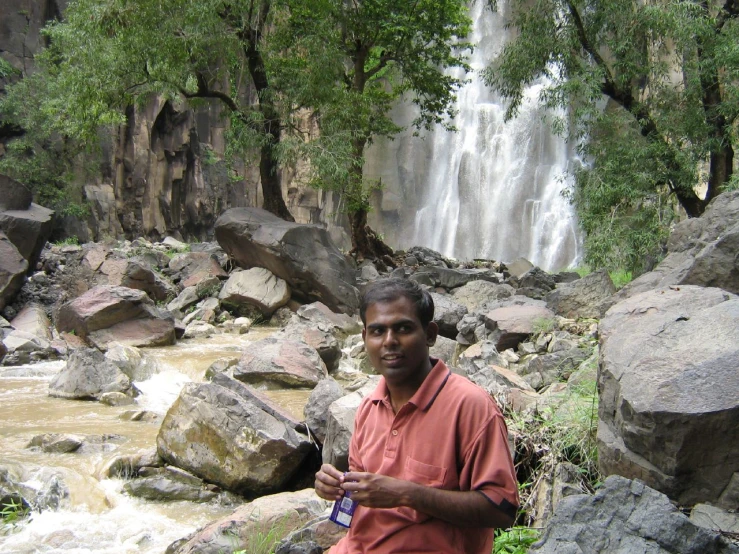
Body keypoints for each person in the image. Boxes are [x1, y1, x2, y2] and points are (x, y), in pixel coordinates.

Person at [315, 278, 519, 553]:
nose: (389, 341)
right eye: (377, 331)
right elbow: (361, 492)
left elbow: (502, 509)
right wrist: (336, 487)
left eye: (403, 328)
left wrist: (406, 494)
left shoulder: (470, 407)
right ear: (365, 339)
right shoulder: (368, 407)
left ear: (430, 334)